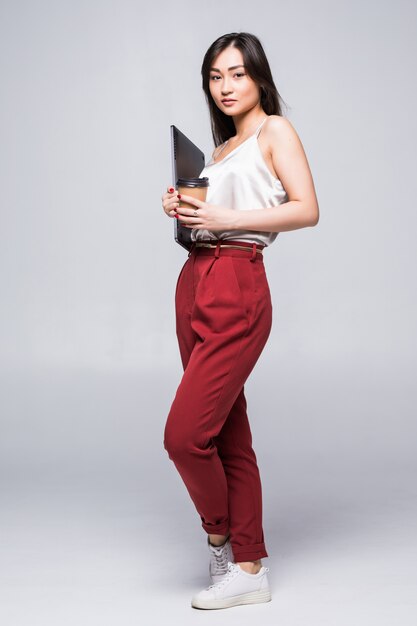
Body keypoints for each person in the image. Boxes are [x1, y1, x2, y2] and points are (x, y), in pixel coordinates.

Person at [161, 31, 319, 610]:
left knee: (184, 436)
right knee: (226, 428)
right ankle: (249, 565)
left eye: (237, 74)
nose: (226, 86)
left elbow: (307, 208)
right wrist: (184, 210)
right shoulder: (222, 147)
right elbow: (212, 218)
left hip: (237, 278)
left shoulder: (275, 129)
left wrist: (223, 215)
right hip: (195, 276)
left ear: (258, 78)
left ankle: (221, 537)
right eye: (215, 76)